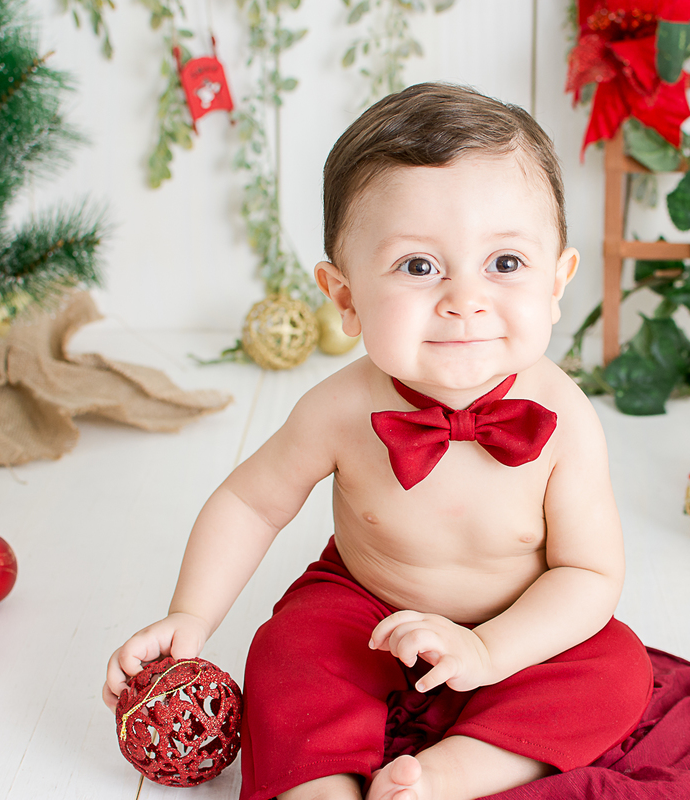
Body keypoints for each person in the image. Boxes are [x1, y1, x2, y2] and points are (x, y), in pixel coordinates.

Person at [103, 82, 653, 800]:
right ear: (345, 298)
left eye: (506, 263)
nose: (464, 298)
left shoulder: (564, 420)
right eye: (419, 267)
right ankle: (321, 786)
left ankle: (453, 774)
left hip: (515, 625)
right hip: (369, 608)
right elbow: (250, 503)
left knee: (617, 669)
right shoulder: (338, 410)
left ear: (558, 281)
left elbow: (587, 577)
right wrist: (190, 613)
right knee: (289, 649)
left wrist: (488, 649)